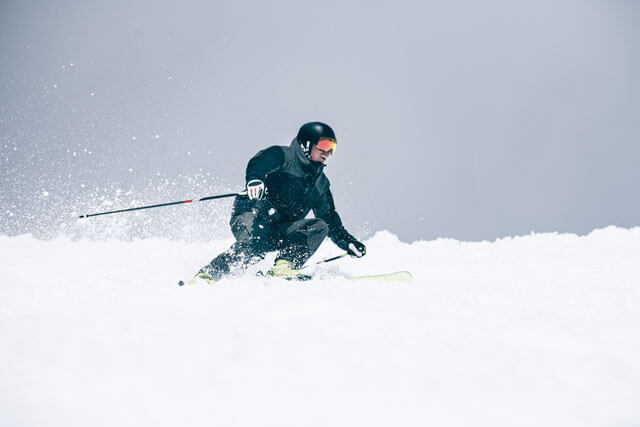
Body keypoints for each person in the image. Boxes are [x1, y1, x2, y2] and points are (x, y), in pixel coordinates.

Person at [187, 122, 366, 284]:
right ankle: (207, 276)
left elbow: (329, 217)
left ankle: (284, 267)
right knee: (256, 243)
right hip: (253, 214)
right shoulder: (284, 156)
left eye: (332, 147)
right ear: (306, 144)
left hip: (281, 228)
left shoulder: (320, 183)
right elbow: (260, 162)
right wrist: (255, 180)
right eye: (324, 145)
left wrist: (348, 242)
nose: (328, 152)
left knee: (319, 226)